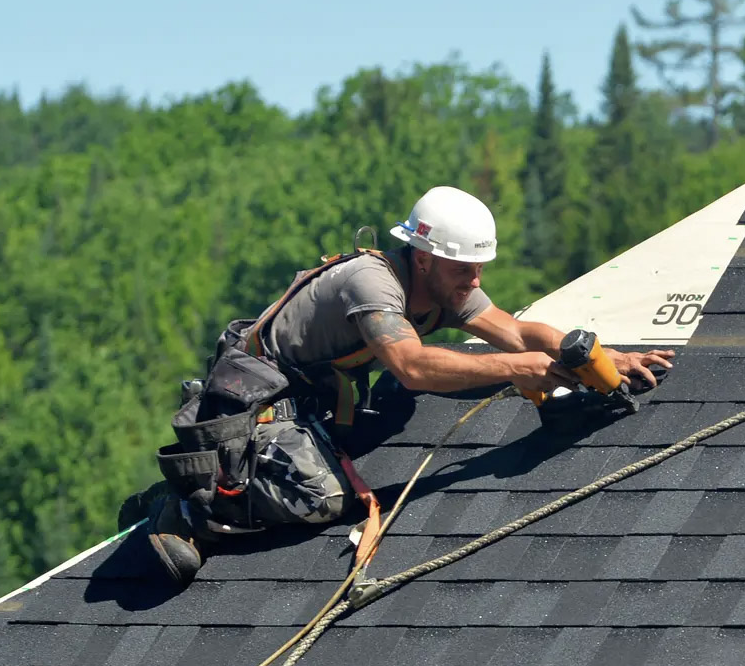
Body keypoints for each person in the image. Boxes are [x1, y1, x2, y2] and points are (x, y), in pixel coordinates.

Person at [147, 185, 674, 585]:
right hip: (257, 399)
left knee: (436, 396)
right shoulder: (372, 284)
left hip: (318, 395)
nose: (475, 282)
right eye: (465, 270)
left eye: (479, 269)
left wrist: (601, 356)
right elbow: (413, 367)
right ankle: (195, 502)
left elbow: (515, 330)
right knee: (321, 498)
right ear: (423, 258)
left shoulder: (446, 281)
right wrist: (517, 369)